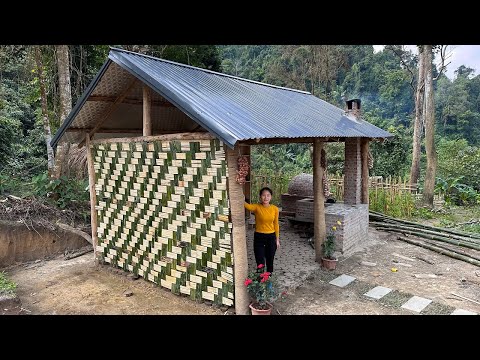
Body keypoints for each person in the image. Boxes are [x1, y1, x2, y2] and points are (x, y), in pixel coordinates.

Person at [244, 187, 280, 273]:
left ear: (271, 197)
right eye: (263, 195)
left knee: (270, 260)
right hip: (259, 237)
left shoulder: (275, 209)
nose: (266, 197)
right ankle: (260, 282)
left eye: (268, 195)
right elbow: (247, 206)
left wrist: (277, 239)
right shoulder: (257, 207)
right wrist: (241, 198)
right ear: (260, 197)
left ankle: (269, 281)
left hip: (271, 237)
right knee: (260, 261)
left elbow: (276, 224)